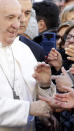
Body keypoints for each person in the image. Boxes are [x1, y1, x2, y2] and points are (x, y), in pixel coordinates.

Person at [0, 0, 56, 130]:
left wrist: (44, 85)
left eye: (18, 18)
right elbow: (31, 107)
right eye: (10, 18)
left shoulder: (24, 49)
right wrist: (28, 109)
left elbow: (36, 99)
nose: (16, 24)